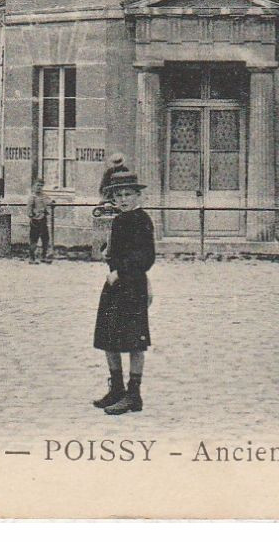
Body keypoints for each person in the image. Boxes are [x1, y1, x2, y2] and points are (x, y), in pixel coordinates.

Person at [92, 174, 154, 414]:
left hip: (132, 286)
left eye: (128, 194)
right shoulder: (119, 220)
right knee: (108, 337)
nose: (123, 199)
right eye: (119, 195)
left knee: (134, 340)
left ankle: (134, 394)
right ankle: (116, 388)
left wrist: (121, 271)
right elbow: (117, 250)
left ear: (139, 196)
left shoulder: (142, 220)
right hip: (114, 286)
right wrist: (108, 252)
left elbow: (146, 257)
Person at [27, 181, 53, 264]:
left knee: (45, 239)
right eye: (38, 185)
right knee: (34, 239)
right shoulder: (32, 197)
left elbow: (49, 202)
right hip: (35, 221)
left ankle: (43, 257)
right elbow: (29, 210)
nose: (39, 187)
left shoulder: (44, 196)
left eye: (41, 186)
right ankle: (32, 258)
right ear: (34, 186)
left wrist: (52, 203)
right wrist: (32, 216)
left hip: (43, 220)